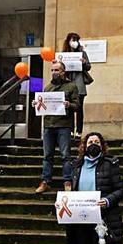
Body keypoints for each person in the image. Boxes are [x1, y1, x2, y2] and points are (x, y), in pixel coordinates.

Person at [34, 61, 79, 194]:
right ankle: (45, 181)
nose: (54, 72)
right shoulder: (47, 88)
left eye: (57, 70)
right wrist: (36, 103)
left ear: (63, 72)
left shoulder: (71, 86)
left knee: (65, 155)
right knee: (47, 155)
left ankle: (67, 181)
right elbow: (44, 105)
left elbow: (77, 106)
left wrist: (68, 105)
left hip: (64, 125)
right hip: (48, 125)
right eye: (52, 70)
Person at [62, 33, 92, 139]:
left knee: (79, 109)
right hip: (68, 84)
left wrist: (84, 62)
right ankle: (70, 131)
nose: (74, 42)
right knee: (69, 108)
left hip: (79, 84)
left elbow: (88, 67)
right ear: (68, 41)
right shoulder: (64, 54)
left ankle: (79, 131)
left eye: (76, 40)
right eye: (73, 39)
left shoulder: (82, 53)